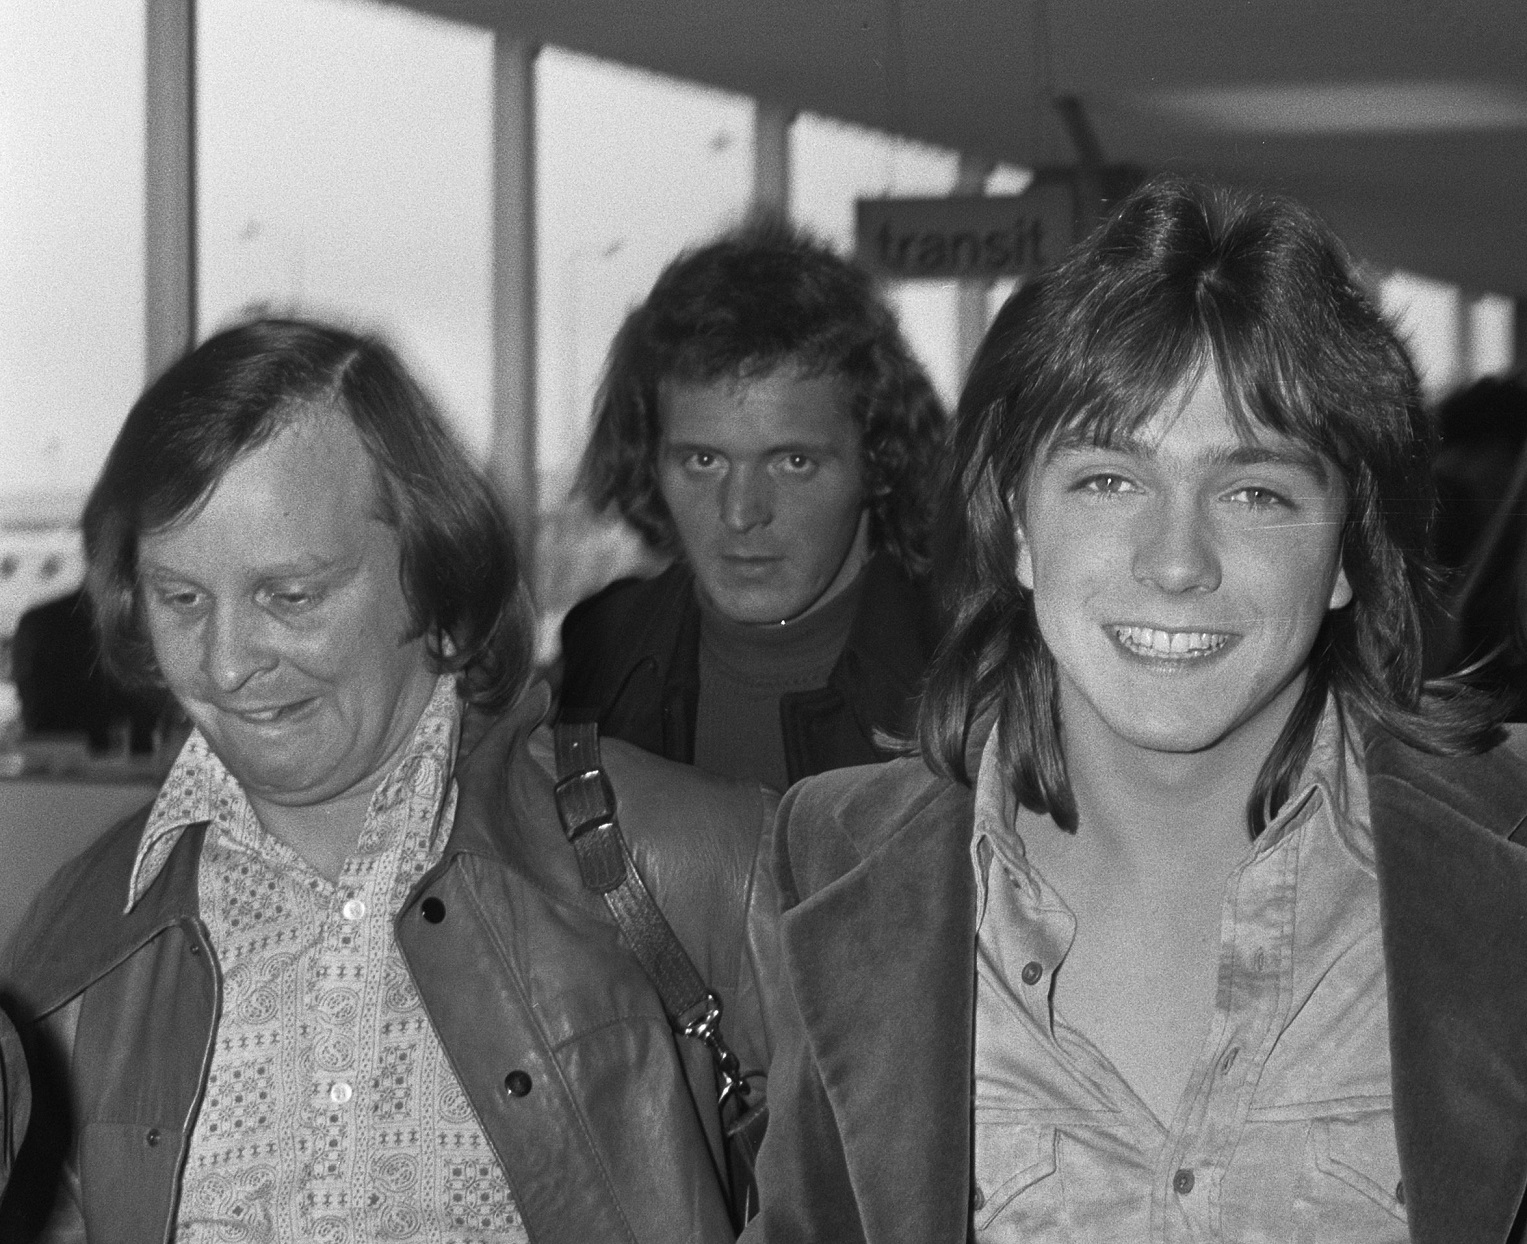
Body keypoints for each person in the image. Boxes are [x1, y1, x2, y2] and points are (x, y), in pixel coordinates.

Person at [743, 176, 1527, 1243]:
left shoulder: (1501, 857)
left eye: (1257, 492)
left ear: (1348, 548)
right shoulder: (839, 870)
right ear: (1019, 523)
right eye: (1110, 479)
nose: (1175, 560)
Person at [0, 318, 777, 1243]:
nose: (226, 662)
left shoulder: (684, 863)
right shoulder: (83, 939)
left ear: (435, 584)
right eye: (181, 599)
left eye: (290, 596)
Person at [559, 216, 948, 791]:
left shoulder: (971, 683)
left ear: (879, 459)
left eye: (793, 464)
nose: (741, 514)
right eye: (703, 462)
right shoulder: (599, 662)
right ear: (650, 459)